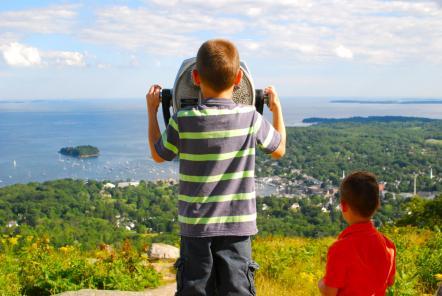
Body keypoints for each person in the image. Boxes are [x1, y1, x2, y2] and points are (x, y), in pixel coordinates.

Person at [146, 39, 286, 296]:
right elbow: (279, 149)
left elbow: (158, 154)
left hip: (196, 227)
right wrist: (275, 108)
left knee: (195, 290)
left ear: (195, 77)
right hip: (238, 227)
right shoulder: (251, 118)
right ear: (239, 78)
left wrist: (152, 110)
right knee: (237, 290)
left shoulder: (183, 119)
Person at [318, 171, 396, 296]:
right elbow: (390, 281)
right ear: (377, 204)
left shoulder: (339, 249)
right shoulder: (388, 245)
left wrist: (321, 283)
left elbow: (330, 292)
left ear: (343, 206)